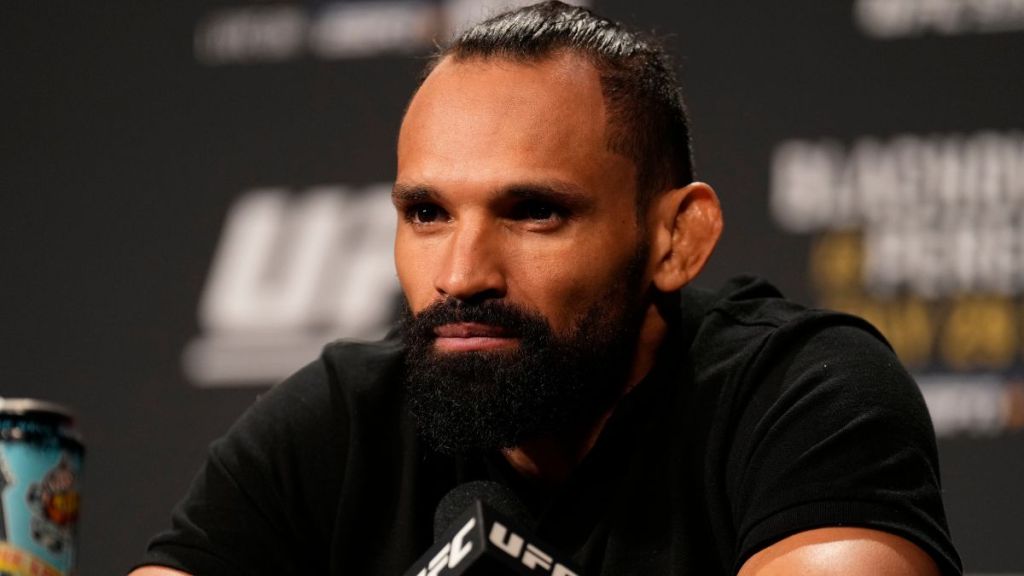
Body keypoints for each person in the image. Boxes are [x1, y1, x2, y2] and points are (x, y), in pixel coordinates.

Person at [131, 2, 961, 575]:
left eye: (534, 213)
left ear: (677, 238)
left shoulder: (805, 397)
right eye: (426, 213)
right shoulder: (336, 423)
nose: (461, 275)